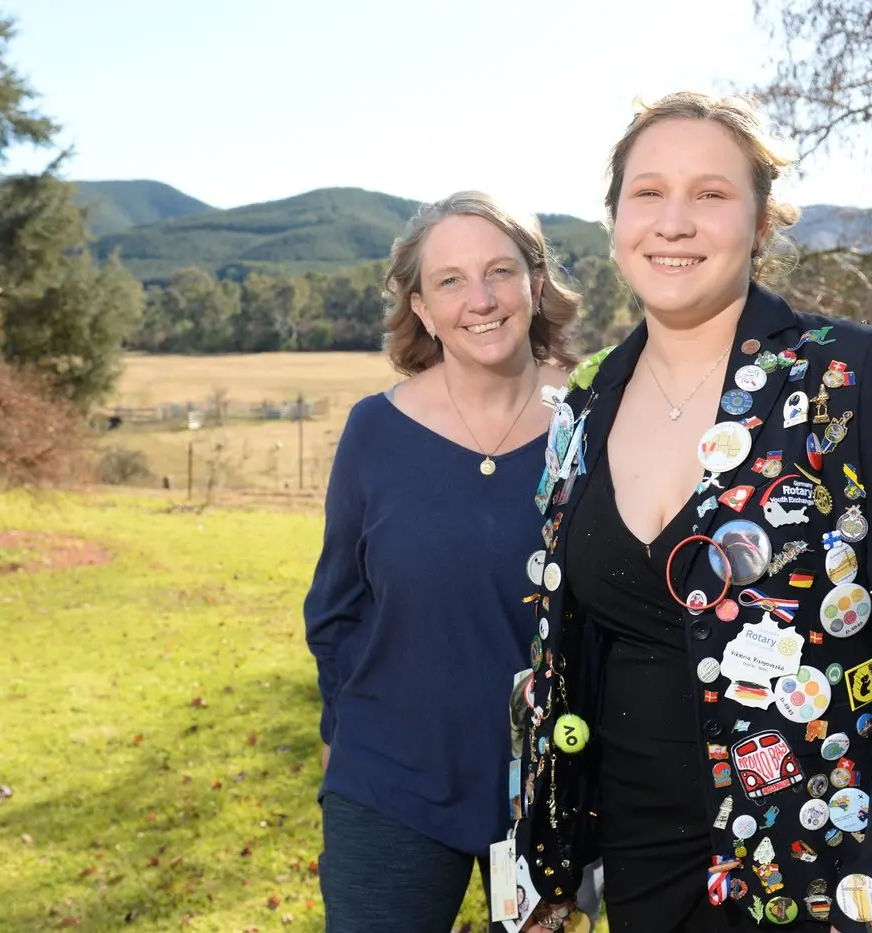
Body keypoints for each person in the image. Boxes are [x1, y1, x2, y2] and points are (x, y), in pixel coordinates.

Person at [514, 92, 872, 933]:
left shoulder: (858, 375)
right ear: (616, 218)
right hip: (638, 857)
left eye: (712, 194)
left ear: (762, 222)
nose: (674, 222)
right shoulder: (587, 404)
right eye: (648, 193)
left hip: (826, 870)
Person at [305, 190, 581, 933]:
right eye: (451, 281)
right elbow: (335, 605)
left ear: (535, 282)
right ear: (421, 308)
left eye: (499, 271)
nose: (481, 299)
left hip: (552, 792)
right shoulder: (375, 431)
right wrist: (342, 733)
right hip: (391, 778)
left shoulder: (594, 423)